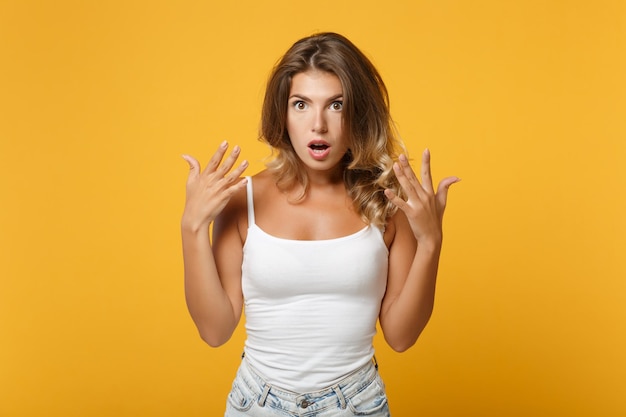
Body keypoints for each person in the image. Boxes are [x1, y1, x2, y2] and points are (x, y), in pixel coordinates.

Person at [181, 32, 459, 417]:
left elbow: (401, 336)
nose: (318, 124)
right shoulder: (241, 199)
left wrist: (431, 242)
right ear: (283, 113)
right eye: (301, 104)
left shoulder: (387, 200)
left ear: (358, 114)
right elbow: (215, 331)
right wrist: (192, 229)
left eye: (336, 105)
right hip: (256, 405)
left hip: (356, 405)